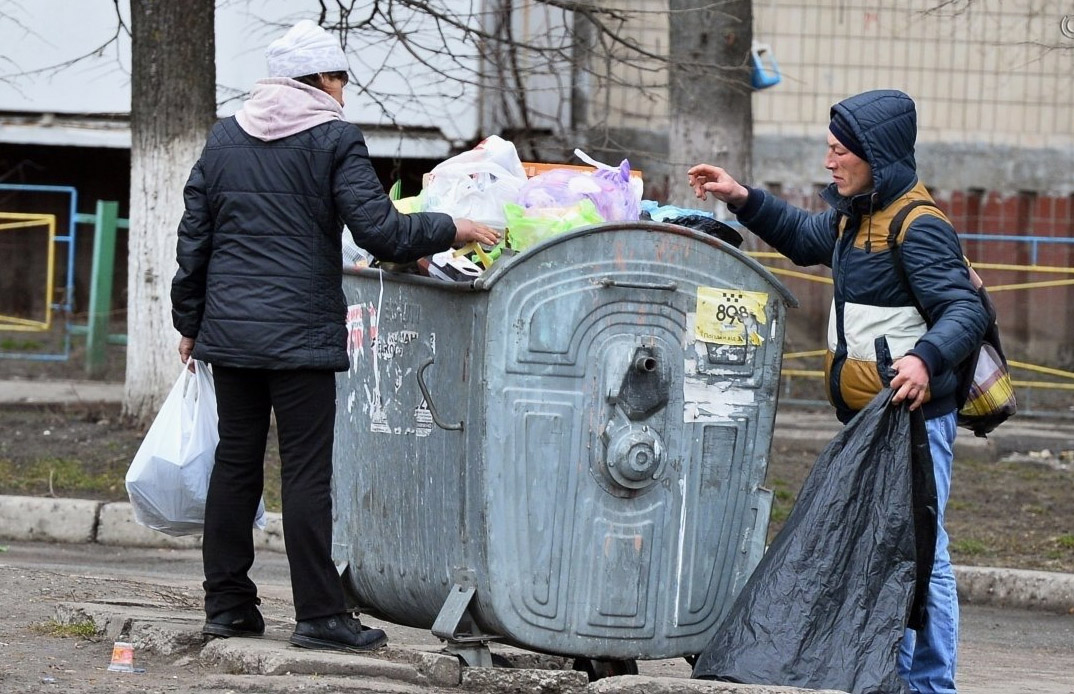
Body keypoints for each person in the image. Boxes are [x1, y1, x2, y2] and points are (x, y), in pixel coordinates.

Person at [170, 20, 499, 653]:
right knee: (305, 473)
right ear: (319, 78)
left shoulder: (225, 139)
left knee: (235, 465)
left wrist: (191, 323)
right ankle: (320, 616)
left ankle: (229, 607)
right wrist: (452, 226)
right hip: (299, 336)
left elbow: (195, 241)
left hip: (232, 334)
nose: (343, 92)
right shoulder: (333, 138)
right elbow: (380, 232)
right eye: (340, 79)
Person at [688, 89, 989, 693]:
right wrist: (740, 197)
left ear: (874, 154)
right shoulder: (857, 218)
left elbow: (963, 309)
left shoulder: (916, 224)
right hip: (871, 420)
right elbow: (802, 236)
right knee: (889, 551)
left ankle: (932, 684)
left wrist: (926, 361)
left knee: (923, 556)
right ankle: (896, 675)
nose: (828, 162)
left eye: (838, 150)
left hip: (914, 420)